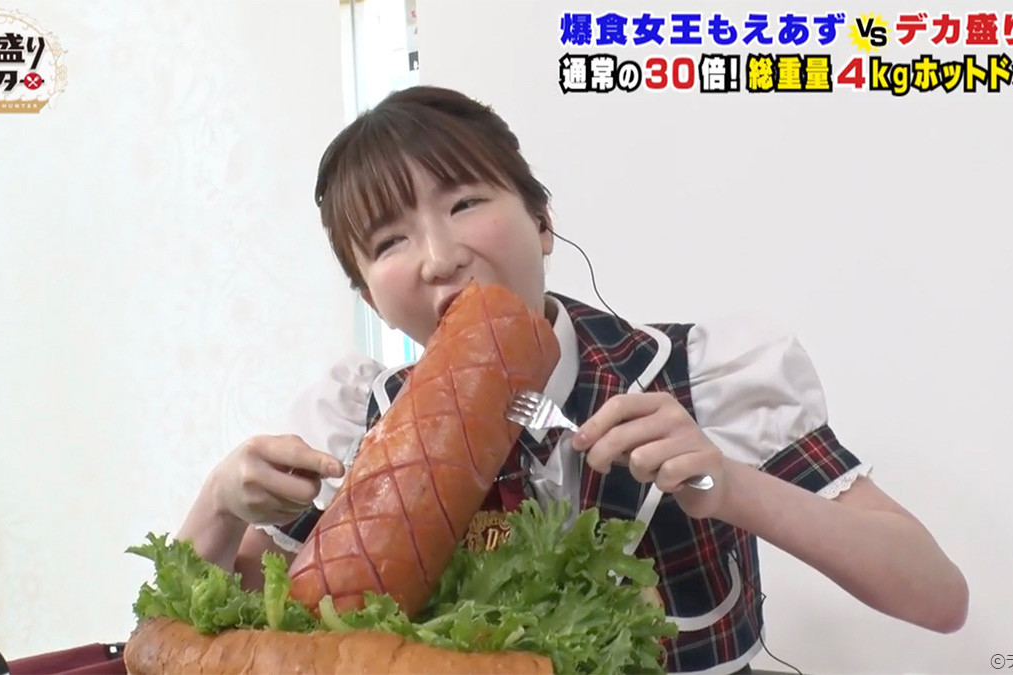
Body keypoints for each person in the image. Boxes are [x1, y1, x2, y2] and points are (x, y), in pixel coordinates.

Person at [176, 85, 969, 673]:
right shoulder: (355, 425)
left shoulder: (705, 374)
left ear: (543, 221)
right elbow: (210, 639)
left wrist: (730, 486)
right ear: (367, 294)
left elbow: (937, 596)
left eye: (465, 202)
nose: (439, 257)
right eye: (389, 242)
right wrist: (217, 503)